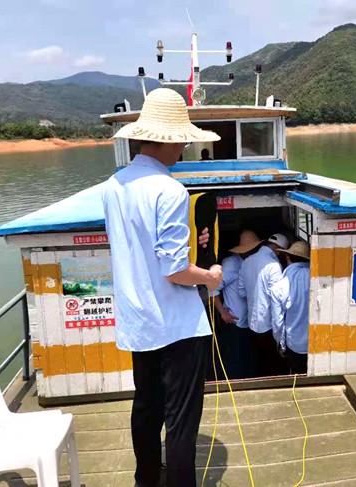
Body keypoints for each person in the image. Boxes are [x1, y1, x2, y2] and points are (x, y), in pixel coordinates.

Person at [102, 88, 223, 487]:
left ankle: (146, 479)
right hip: (177, 326)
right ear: (167, 140)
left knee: (146, 407)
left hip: (139, 321)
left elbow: (137, 247)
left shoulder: (113, 185)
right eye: (181, 140)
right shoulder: (170, 190)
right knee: (181, 421)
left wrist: (189, 251)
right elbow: (175, 271)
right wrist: (210, 276)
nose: (184, 147)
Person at [211, 230, 262, 379]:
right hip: (234, 321)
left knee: (246, 359)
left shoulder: (248, 263)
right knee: (235, 361)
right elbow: (212, 288)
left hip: (247, 320)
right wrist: (222, 312)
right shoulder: (231, 265)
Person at [238, 233, 290, 377]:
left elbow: (241, 292)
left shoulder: (246, 262)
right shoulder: (274, 266)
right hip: (269, 325)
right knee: (273, 367)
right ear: (279, 250)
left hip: (252, 323)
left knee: (258, 363)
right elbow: (278, 300)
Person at [271, 241, 311, 374]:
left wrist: (281, 344)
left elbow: (278, 322)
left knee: (297, 378)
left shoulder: (279, 286)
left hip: (294, 344)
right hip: (318, 343)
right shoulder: (319, 279)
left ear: (288, 258)